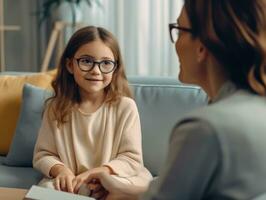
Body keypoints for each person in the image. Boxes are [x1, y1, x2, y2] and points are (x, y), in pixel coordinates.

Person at [85, 0, 266, 199]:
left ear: (201, 47)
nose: (175, 42)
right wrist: (123, 188)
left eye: (179, 31)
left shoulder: (204, 129)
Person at [33, 26, 152, 198]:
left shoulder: (126, 107)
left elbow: (131, 159)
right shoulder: (55, 108)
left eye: (105, 63)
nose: (96, 70)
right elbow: (43, 154)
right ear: (70, 65)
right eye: (87, 61)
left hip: (115, 178)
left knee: (120, 192)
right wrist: (61, 170)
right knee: (47, 192)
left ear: (115, 68)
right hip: (72, 181)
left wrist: (100, 173)